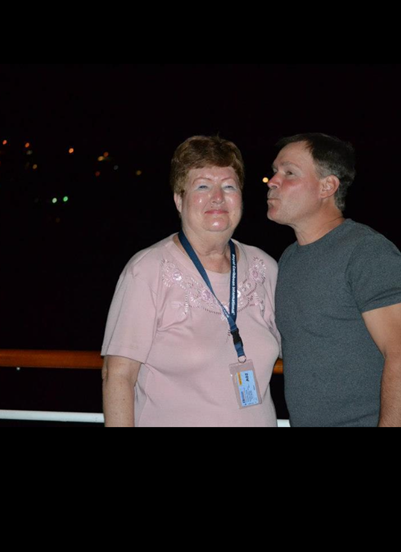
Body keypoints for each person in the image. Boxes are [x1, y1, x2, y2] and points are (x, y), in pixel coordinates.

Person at [101, 135, 281, 427]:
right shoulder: (148, 270)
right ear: (178, 199)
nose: (218, 197)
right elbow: (117, 375)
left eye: (228, 186)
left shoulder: (265, 268)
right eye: (202, 186)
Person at [267, 132, 401, 427]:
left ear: (327, 186)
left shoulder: (367, 251)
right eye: (275, 172)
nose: (274, 181)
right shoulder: (290, 259)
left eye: (289, 172)